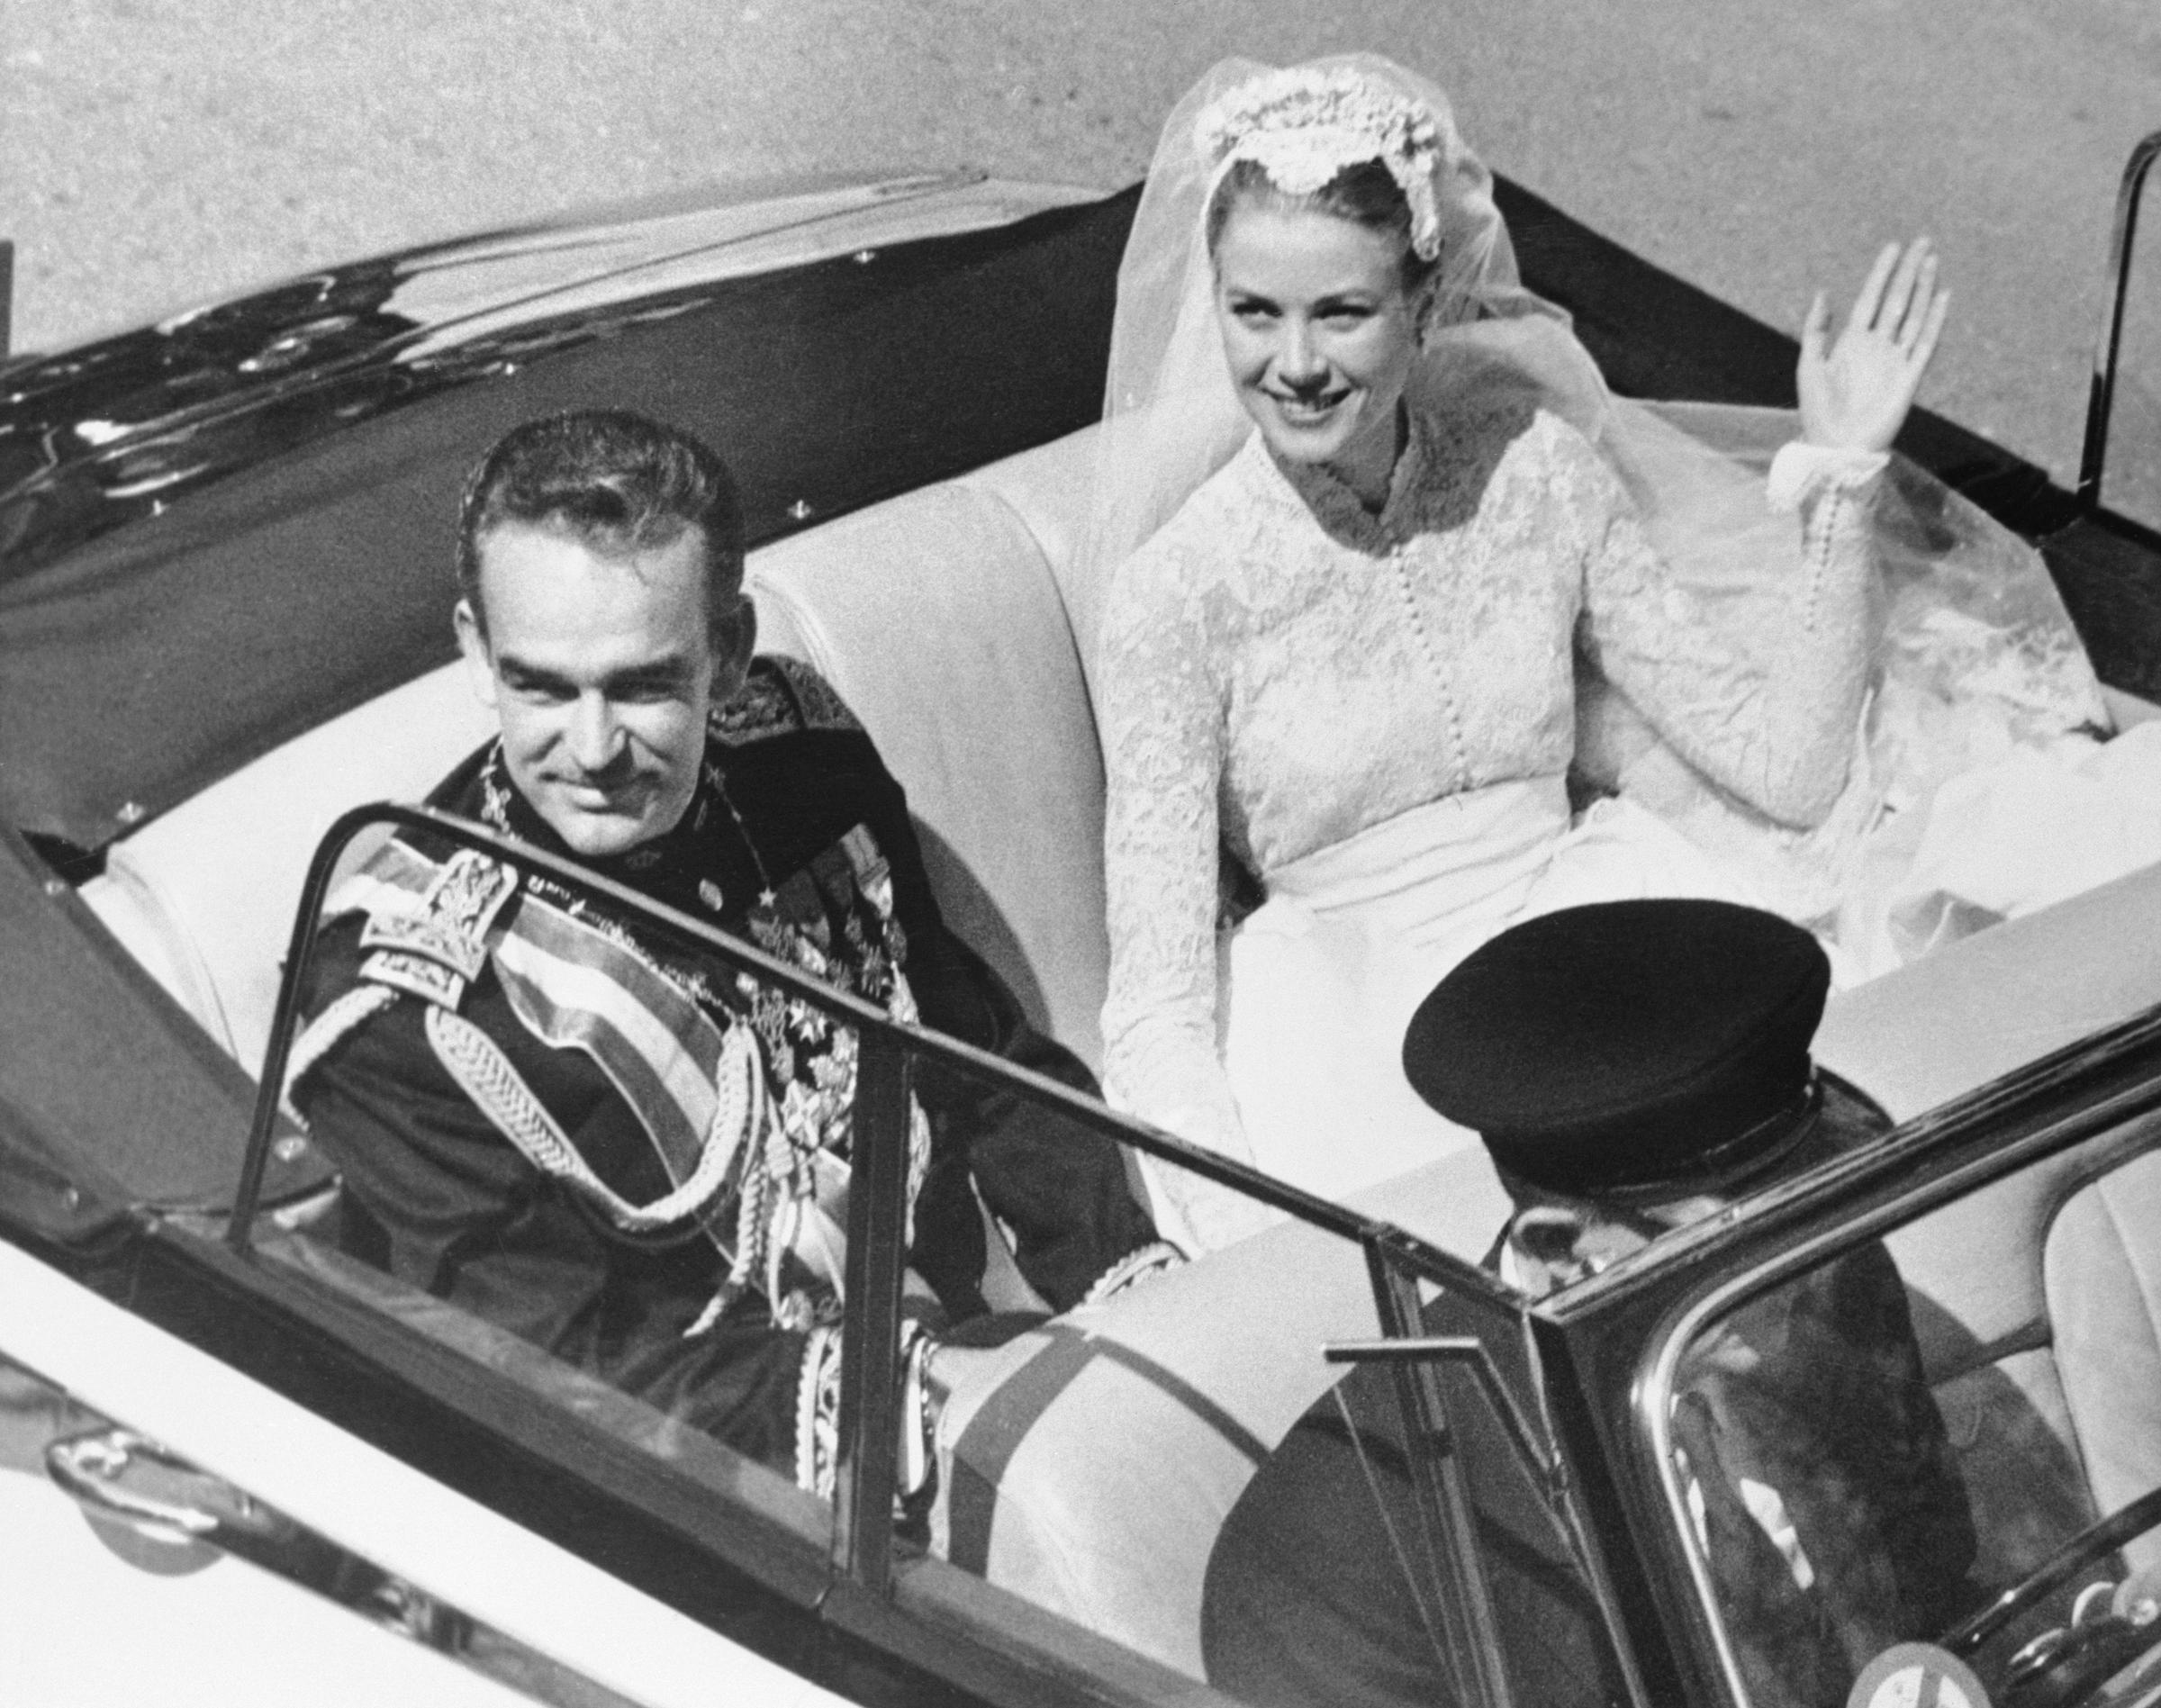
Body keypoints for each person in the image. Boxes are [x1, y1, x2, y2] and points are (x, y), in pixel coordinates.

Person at [1089, 56, 2102, 1251]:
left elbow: (1789, 770)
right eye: (1255, 310)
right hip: (1350, 1032)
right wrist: (1249, 1258)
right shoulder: (1177, 595)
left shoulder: (1538, 473)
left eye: (1342, 311)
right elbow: (1156, 1001)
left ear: (1423, 303)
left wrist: (1841, 475)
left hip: (1592, 943)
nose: (1294, 362)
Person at [285, 410, 1171, 1502]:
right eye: (544, 687)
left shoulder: (802, 758)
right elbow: (584, 1388)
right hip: (722, 1510)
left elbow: (976, 1054)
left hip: (965, 1364)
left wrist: (1133, 1297)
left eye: (647, 683)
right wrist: (948, 1405)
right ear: (475, 649)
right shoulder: (408, 1006)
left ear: (731, 650)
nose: (596, 749)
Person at [1200, 899, 1977, 1708]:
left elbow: (1937, 1588)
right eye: (1750, 1234)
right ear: (1559, 1251)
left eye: (1818, 1201)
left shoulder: (1830, 1286)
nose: (1815, 1265)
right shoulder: (1332, 1559)